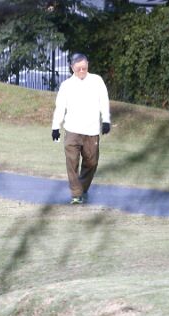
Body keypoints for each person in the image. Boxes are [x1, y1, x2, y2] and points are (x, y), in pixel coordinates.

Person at [51, 53, 111, 204]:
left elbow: (104, 101)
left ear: (88, 65)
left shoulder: (97, 81)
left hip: (91, 131)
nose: (82, 71)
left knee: (92, 162)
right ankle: (76, 195)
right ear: (72, 68)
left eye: (84, 68)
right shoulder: (66, 86)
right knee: (72, 162)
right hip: (72, 130)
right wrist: (55, 127)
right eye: (78, 69)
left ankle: (82, 188)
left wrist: (106, 121)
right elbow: (60, 108)